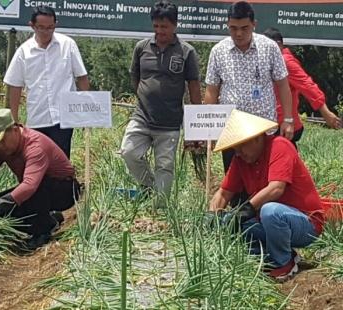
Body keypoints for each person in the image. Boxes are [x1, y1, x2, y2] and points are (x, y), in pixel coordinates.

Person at [210, 109, 325, 281]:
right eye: (235, 149)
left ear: (257, 138)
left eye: (241, 146)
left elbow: (276, 188)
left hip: (305, 223)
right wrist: (213, 216)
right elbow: (224, 193)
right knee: (232, 224)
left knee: (269, 211)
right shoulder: (240, 160)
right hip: (271, 222)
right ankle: (278, 255)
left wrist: (246, 210)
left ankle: (283, 262)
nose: (238, 152)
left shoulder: (279, 146)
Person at [120, 0, 202, 208]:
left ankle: (161, 211)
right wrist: (145, 97)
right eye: (156, 26)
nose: (159, 31)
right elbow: (135, 77)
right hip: (142, 117)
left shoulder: (186, 52)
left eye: (164, 27)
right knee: (128, 152)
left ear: (175, 25)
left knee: (165, 167)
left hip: (170, 122)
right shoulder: (141, 48)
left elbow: (193, 86)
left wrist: (195, 123)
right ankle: (148, 186)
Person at [0, 109, 80, 250]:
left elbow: (30, 185)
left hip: (63, 191)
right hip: (36, 190)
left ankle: (42, 232)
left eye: (2, 140)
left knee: (25, 196)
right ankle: (49, 219)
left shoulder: (35, 145)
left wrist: (1, 205)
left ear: (15, 129)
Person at [204, 1, 294, 173]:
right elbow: (211, 90)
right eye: (233, 28)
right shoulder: (218, 51)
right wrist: (211, 129)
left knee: (266, 184)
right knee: (234, 187)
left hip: (264, 130)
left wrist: (288, 120)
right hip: (232, 132)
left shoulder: (269, 48)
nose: (238, 33)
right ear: (227, 25)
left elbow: (283, 84)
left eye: (244, 28)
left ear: (254, 24)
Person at [4, 5, 89, 159]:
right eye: (41, 28)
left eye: (50, 27)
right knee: (37, 161)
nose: (46, 32)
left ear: (56, 24)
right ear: (32, 26)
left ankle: (63, 183)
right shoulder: (24, 52)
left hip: (63, 117)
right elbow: (15, 86)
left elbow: (81, 77)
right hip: (37, 117)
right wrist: (15, 121)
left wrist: (85, 113)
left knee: (61, 161)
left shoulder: (68, 45)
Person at [263, 27, 342, 147]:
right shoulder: (270, 62)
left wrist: (326, 113)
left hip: (283, 125)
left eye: (265, 47)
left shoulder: (285, 62)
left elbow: (308, 86)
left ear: (278, 45)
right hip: (270, 122)